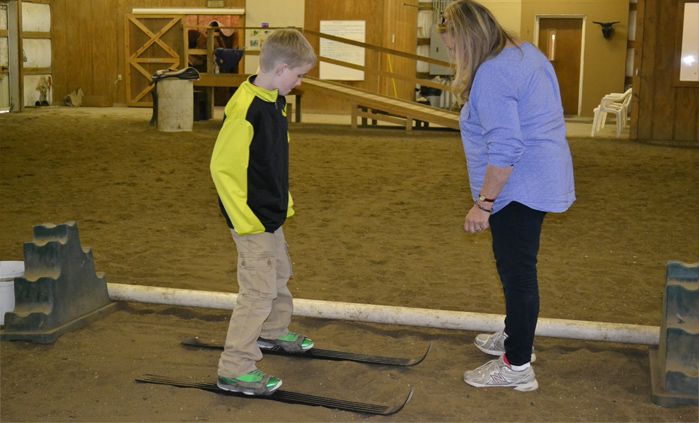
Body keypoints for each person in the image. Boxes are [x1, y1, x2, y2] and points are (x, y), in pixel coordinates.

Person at [437, 0, 575, 391]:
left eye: (453, 47)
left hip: (519, 187)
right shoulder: (524, 52)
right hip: (540, 175)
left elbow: (506, 146)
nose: (451, 54)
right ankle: (517, 337)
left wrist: (484, 203)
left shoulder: (494, 74)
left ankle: (516, 366)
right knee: (515, 269)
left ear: (469, 40)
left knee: (517, 275)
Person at [209, 28, 317, 396]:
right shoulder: (246, 107)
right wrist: (246, 221)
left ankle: (272, 332)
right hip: (251, 220)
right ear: (282, 68)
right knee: (257, 292)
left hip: (270, 215)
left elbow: (273, 159)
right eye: (299, 75)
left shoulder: (273, 98)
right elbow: (222, 169)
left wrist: (281, 204)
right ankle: (235, 368)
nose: (300, 82)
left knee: (280, 275)